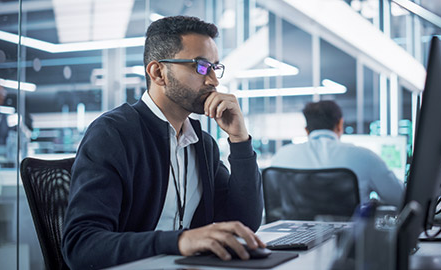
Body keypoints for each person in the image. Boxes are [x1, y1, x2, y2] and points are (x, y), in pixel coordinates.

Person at [62, 16, 264, 269]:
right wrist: (179, 241)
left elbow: (244, 222)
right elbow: (81, 245)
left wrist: (240, 139)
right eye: (201, 67)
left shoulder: (202, 144)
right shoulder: (113, 134)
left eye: (215, 67)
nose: (214, 80)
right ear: (158, 73)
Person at [271, 100, 404, 207]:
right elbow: (401, 198)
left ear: (306, 130)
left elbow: (270, 202)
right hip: (349, 240)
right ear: (340, 124)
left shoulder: (282, 156)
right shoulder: (366, 157)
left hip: (295, 239)